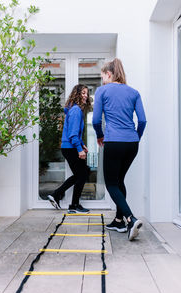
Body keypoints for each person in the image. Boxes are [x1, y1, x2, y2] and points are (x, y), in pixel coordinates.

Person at [92, 58, 146, 241]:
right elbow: (143, 120)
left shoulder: (102, 91)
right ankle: (118, 220)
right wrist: (136, 137)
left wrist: (99, 135)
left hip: (114, 142)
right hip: (132, 143)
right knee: (119, 180)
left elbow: (96, 120)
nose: (102, 80)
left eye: (103, 76)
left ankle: (131, 219)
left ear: (109, 74)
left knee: (111, 184)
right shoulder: (134, 92)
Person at [47, 84, 91, 214]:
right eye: (83, 93)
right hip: (71, 147)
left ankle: (58, 195)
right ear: (76, 94)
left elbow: (74, 133)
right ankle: (73, 205)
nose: (86, 96)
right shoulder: (76, 111)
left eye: (87, 93)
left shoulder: (74, 110)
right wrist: (79, 149)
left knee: (81, 173)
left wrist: (82, 144)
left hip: (70, 147)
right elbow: (72, 134)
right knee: (82, 174)